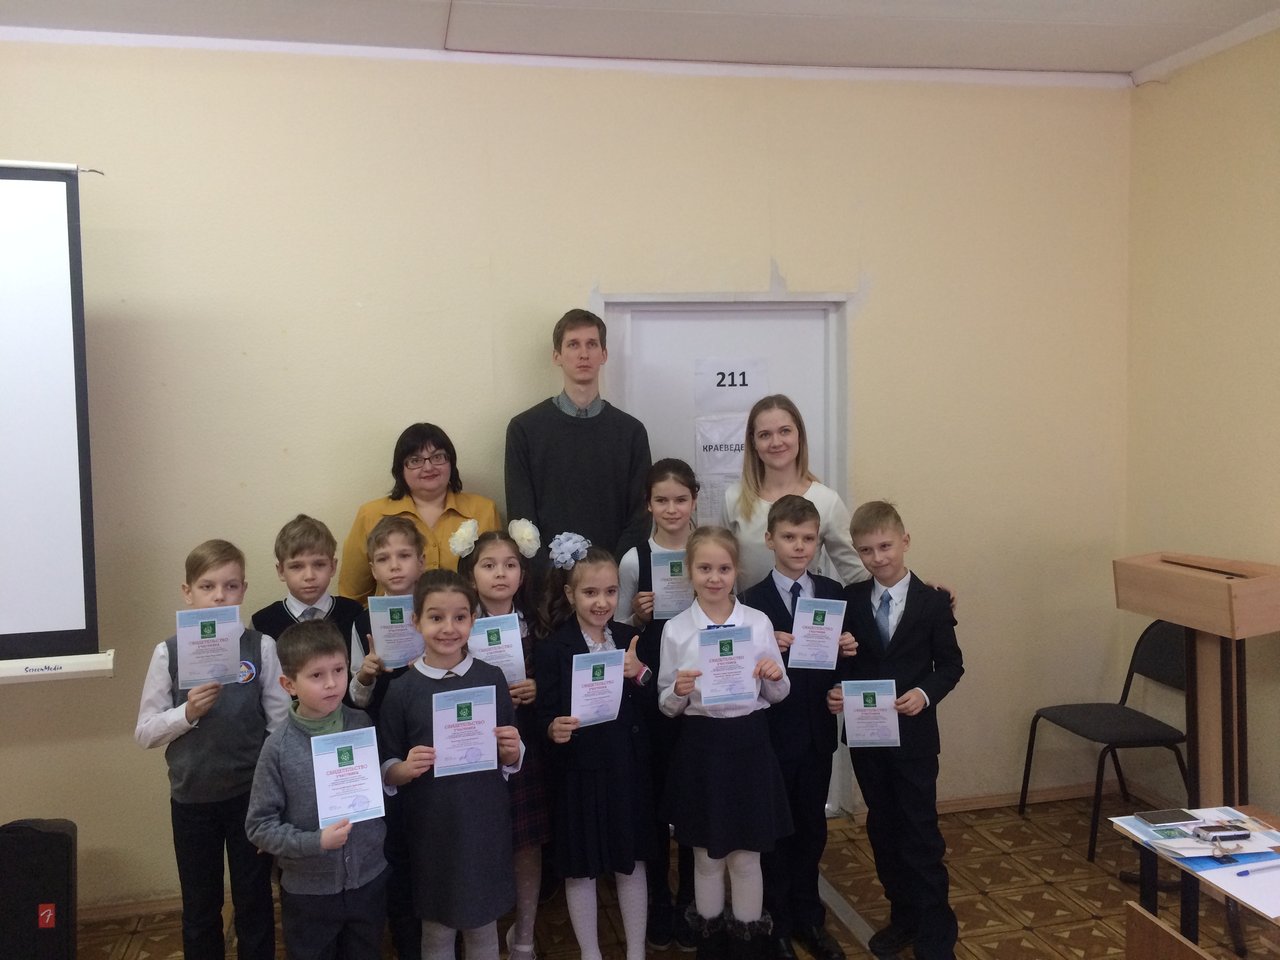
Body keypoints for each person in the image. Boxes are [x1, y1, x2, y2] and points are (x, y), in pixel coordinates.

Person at [134, 539, 288, 960]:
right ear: (188, 592)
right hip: (192, 801)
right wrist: (187, 712)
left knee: (254, 898)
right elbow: (145, 732)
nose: (220, 596)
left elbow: (278, 727)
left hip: (250, 800)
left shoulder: (261, 647)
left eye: (230, 586)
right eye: (207, 586)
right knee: (200, 905)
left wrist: (274, 796)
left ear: (243, 589)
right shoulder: (167, 652)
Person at [827, 501, 963, 960]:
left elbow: (951, 665)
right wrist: (838, 685)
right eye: (866, 550)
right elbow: (840, 665)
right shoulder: (849, 602)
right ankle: (903, 917)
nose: (878, 557)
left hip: (915, 739)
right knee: (883, 830)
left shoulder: (933, 602)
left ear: (905, 542)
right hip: (868, 738)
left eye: (885, 546)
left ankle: (936, 934)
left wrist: (924, 694)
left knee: (921, 834)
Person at [659, 526, 792, 960]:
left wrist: (775, 676)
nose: (714, 578)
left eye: (723, 568)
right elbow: (666, 706)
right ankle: (711, 948)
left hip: (749, 745)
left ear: (736, 571)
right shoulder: (676, 630)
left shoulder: (757, 623)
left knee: (747, 857)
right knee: (706, 858)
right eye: (704, 568)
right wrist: (678, 690)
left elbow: (778, 694)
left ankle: (748, 947)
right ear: (689, 571)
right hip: (702, 749)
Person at [378, 570, 524, 960]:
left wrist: (512, 751)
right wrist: (404, 769)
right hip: (431, 826)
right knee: (436, 927)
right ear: (416, 621)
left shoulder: (491, 678)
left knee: (483, 924)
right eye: (436, 617)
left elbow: (510, 754)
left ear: (473, 620)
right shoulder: (402, 690)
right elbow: (387, 766)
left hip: (484, 822)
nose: (448, 628)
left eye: (459, 617)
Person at [739, 496, 857, 960]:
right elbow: (735, 671)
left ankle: (810, 917)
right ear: (770, 539)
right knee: (776, 831)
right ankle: (777, 922)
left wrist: (846, 666)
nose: (800, 546)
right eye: (789, 537)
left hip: (816, 733)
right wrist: (764, 648)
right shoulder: (751, 602)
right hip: (771, 735)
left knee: (812, 828)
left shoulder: (833, 592)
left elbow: (848, 663)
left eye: (808, 538)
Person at [535, 536, 657, 960]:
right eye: (590, 592)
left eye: (609, 592)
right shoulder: (553, 648)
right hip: (579, 773)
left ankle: (636, 951)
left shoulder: (629, 637)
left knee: (631, 859)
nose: (601, 602)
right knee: (580, 866)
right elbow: (544, 713)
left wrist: (639, 672)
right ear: (571, 595)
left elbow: (654, 703)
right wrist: (552, 728)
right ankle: (590, 953)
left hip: (626, 767)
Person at [246, 620, 387, 960]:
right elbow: (259, 826)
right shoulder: (278, 748)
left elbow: (375, 792)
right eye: (316, 675)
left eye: (338, 670)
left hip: (369, 879)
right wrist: (315, 842)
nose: (331, 683)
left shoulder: (361, 723)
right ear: (289, 684)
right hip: (309, 891)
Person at [455, 522, 549, 960]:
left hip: (526, 745)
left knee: (527, 843)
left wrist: (538, 687)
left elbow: (558, 679)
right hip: (475, 749)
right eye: (488, 565)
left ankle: (524, 937)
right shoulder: (458, 627)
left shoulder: (538, 625)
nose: (500, 573)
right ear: (471, 574)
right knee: (483, 842)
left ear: (522, 575)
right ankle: (485, 939)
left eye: (510, 565)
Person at [616, 458, 700, 950]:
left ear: (694, 501)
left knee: (690, 798)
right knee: (652, 801)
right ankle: (658, 904)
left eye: (681, 499)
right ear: (648, 504)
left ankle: (690, 900)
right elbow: (619, 631)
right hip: (649, 695)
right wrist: (637, 615)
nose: (672, 509)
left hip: (698, 693)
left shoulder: (707, 550)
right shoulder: (635, 559)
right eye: (662, 500)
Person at [505, 309, 651, 564]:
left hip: (612, 578)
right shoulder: (524, 430)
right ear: (557, 356)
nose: (584, 354)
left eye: (592, 344)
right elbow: (522, 521)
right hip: (548, 580)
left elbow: (640, 516)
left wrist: (609, 571)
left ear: (604, 354)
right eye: (573, 344)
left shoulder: (631, 432)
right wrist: (548, 576)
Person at [346, 515, 428, 959]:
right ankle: (406, 941)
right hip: (385, 745)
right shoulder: (362, 622)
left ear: (421, 561)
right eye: (383, 558)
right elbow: (356, 701)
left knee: (432, 842)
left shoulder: (437, 609)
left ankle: (442, 938)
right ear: (372, 567)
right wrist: (366, 674)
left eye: (403, 556)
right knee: (394, 844)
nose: (395, 566)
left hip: (431, 739)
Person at [341, 422, 500, 602]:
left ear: (451, 462)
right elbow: (353, 595)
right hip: (392, 619)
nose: (428, 467)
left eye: (438, 457)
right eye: (415, 460)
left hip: (466, 617)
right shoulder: (371, 514)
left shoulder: (484, 510)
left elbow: (499, 580)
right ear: (400, 469)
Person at [722, 395, 864, 590]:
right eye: (765, 435)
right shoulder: (734, 499)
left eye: (785, 431)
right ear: (753, 442)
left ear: (799, 435)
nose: (776, 442)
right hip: (748, 608)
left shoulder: (826, 501)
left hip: (803, 609)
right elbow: (719, 567)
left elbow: (857, 574)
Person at [251, 514, 362, 645]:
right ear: (281, 571)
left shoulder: (354, 614)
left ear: (332, 567)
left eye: (319, 564)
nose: (309, 576)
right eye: (296, 566)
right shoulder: (261, 624)